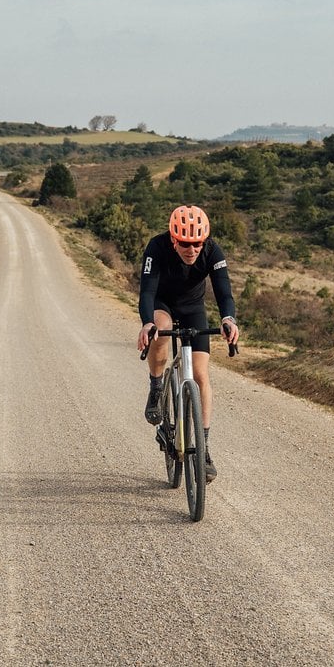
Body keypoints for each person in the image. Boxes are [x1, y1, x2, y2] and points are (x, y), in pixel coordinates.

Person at [136, 205, 240, 482]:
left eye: (197, 244)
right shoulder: (157, 248)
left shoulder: (213, 251)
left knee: (201, 374)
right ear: (173, 239)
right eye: (184, 244)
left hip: (193, 308)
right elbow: (146, 292)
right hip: (162, 305)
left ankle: (203, 449)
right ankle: (157, 387)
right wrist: (148, 322)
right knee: (163, 327)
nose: (191, 250)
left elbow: (224, 292)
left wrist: (229, 319)